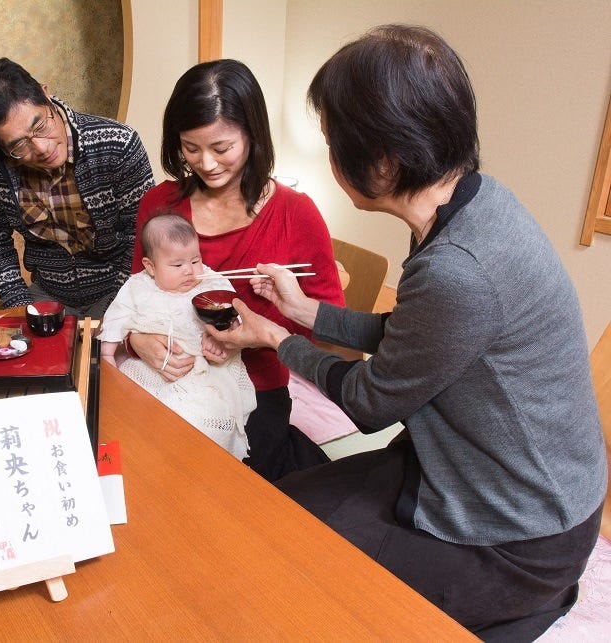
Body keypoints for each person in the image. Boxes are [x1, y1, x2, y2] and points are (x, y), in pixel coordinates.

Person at [208, 25, 607, 640]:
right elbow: (415, 333)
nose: (331, 157)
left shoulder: (459, 268)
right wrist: (310, 313)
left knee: (293, 569)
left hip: (519, 534)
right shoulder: (473, 203)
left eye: (334, 142)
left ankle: (525, 604)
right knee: (279, 511)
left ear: (385, 161)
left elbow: (370, 403)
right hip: (464, 472)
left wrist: (275, 338)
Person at [128, 59, 345, 481]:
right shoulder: (159, 205)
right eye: (191, 148)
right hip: (171, 374)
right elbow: (138, 292)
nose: (206, 163)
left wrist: (259, 332)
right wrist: (138, 340)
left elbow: (329, 322)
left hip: (257, 386)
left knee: (229, 490)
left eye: (221, 148)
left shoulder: (295, 214)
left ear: (252, 134)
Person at [0, 58, 154, 318]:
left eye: (40, 126)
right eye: (19, 146)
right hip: (46, 295)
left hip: (119, 291)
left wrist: (118, 310)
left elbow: (141, 235)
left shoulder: (118, 143)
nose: (42, 148)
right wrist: (20, 303)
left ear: (46, 95)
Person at [99, 213, 255, 460]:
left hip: (205, 371)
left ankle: (200, 462)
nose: (190, 271)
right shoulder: (138, 286)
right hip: (149, 367)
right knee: (130, 411)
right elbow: (117, 316)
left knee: (202, 419)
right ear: (151, 267)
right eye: (177, 265)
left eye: (195, 260)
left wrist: (222, 339)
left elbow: (236, 316)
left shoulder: (212, 282)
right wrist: (107, 354)